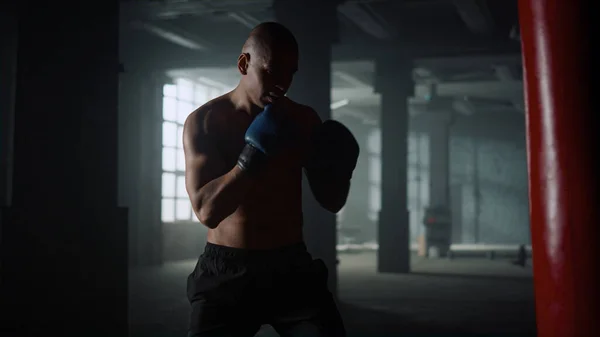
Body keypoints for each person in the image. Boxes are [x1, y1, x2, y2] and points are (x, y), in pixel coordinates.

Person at [183, 22, 359, 337]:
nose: (282, 83)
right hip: (227, 271)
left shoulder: (303, 120)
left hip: (290, 266)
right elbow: (207, 212)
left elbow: (331, 202)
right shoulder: (207, 121)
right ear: (243, 64)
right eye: (272, 71)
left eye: (290, 73)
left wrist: (340, 171)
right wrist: (253, 155)